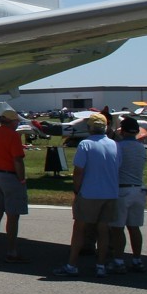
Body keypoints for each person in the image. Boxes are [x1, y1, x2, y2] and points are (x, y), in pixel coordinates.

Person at [52, 112, 120, 277]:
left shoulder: (85, 144)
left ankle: (72, 264)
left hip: (89, 192)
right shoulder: (114, 145)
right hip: (110, 193)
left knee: (80, 229)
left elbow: (78, 171)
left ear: (90, 128)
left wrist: (77, 190)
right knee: (103, 230)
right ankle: (101, 265)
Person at [0, 108, 28, 262]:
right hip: (9, 176)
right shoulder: (13, 136)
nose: (17, 124)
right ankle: (11, 251)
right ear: (11, 121)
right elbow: (17, 160)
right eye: (16, 121)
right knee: (12, 215)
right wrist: (22, 179)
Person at [109, 116, 147, 273]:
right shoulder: (141, 148)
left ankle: (118, 260)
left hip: (122, 189)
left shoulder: (118, 147)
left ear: (122, 131)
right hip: (138, 188)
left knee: (118, 228)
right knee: (134, 227)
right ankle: (137, 259)